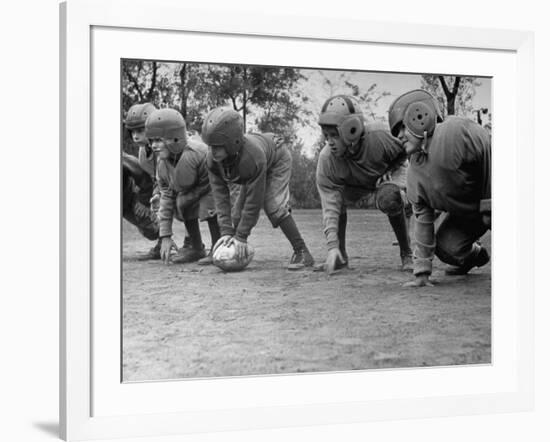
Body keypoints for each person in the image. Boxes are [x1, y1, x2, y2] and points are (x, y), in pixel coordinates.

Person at [388, 89, 491, 287]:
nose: (399, 136)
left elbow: (486, 147)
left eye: (402, 128)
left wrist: (490, 203)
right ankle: (477, 256)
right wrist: (422, 273)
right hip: (468, 216)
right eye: (396, 132)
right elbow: (423, 222)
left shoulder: (454, 132)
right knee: (445, 248)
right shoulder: (414, 174)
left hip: (502, 196)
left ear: (421, 116)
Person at [201, 107, 314, 270]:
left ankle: (302, 252)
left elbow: (254, 202)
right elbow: (220, 198)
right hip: (254, 167)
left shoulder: (252, 157)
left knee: (273, 205)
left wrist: (241, 236)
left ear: (233, 142)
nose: (212, 151)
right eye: (210, 146)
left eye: (217, 146)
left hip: (277, 158)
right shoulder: (212, 160)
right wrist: (226, 232)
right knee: (236, 214)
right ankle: (231, 246)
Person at [315, 95, 413, 274]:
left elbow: (408, 148)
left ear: (352, 130)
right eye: (326, 135)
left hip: (387, 173)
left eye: (334, 135)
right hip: (356, 183)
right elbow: (330, 207)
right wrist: (332, 246)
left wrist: (390, 169)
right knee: (338, 200)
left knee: (388, 197)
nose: (329, 141)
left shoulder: (380, 135)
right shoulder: (327, 159)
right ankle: (341, 257)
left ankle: (406, 252)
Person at [145, 108, 220, 265]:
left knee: (209, 204)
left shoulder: (200, 153)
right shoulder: (162, 165)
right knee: (180, 202)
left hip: (214, 187)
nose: (153, 146)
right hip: (196, 188)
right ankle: (196, 247)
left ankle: (218, 246)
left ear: (175, 137)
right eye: (151, 141)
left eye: (158, 140)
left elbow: (215, 185)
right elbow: (166, 198)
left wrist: (189, 198)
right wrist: (165, 235)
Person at [122, 102, 162, 259]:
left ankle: (190, 242)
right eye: (132, 132)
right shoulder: (142, 153)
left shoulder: (165, 147)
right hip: (158, 188)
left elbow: (144, 178)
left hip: (173, 187)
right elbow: (150, 176)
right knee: (149, 230)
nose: (135, 136)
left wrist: (145, 202)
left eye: (140, 130)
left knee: (179, 207)